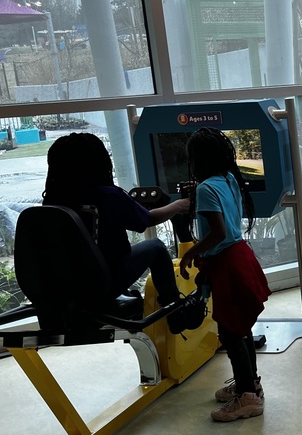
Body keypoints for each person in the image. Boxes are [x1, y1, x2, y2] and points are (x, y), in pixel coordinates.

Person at [42, 132, 204, 334]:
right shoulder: (108, 195)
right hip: (104, 282)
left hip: (65, 288)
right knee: (156, 248)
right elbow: (146, 220)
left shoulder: (52, 201)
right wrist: (179, 205)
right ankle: (175, 312)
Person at [179, 127, 271, 422]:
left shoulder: (206, 189)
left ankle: (247, 396)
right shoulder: (229, 179)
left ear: (198, 160)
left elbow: (218, 233)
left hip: (227, 263)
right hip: (240, 257)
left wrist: (191, 253)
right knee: (240, 327)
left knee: (230, 332)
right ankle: (250, 384)